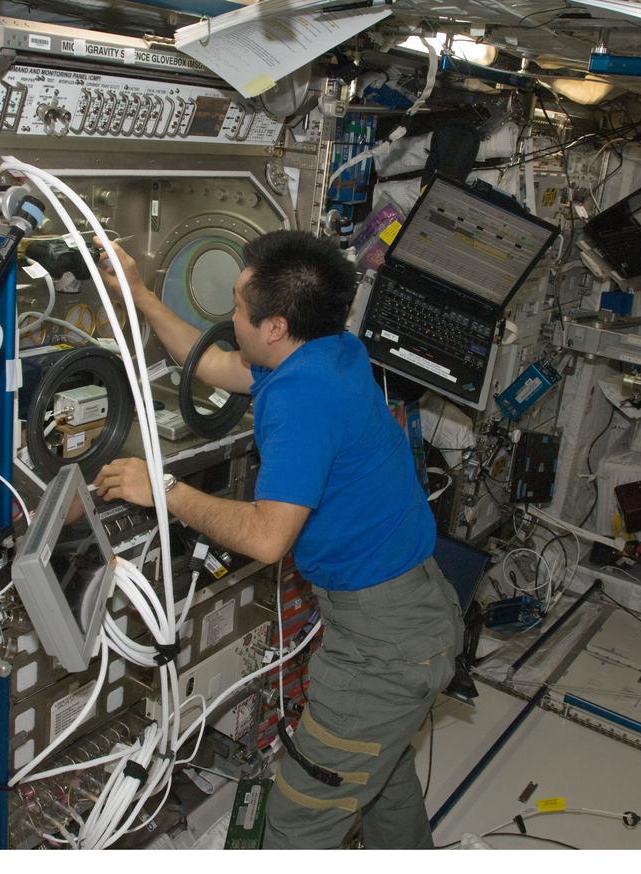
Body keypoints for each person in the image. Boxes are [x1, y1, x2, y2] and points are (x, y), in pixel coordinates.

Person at [94, 230, 463, 849]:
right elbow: (213, 364)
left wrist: (165, 492)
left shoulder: (303, 398)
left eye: (238, 308)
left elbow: (268, 539)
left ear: (274, 326)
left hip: (385, 648)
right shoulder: (328, 348)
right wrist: (139, 296)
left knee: (297, 819)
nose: (228, 316)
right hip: (409, 613)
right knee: (385, 780)